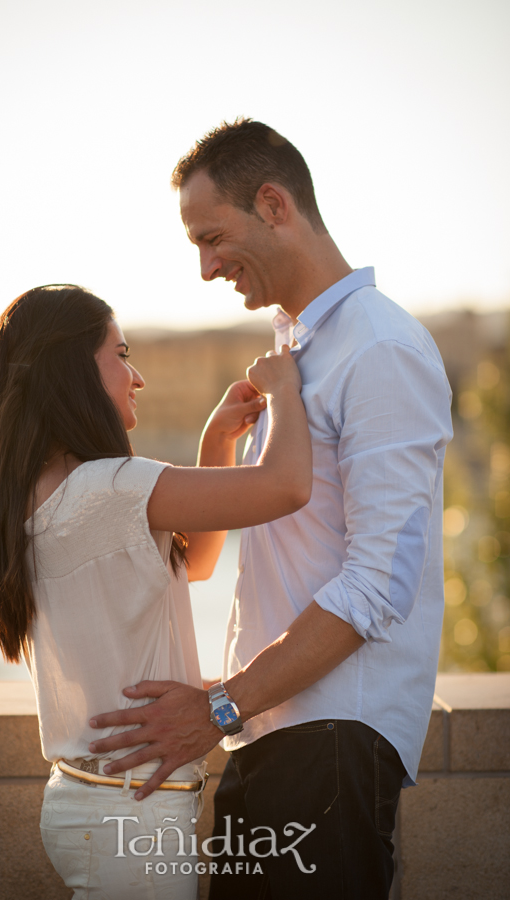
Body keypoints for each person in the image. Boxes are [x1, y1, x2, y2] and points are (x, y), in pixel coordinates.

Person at [88, 120, 454, 899]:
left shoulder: (379, 348)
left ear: (274, 204)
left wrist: (217, 706)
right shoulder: (296, 353)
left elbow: (378, 584)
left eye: (213, 237)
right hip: (273, 733)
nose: (205, 266)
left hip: (331, 739)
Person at [0, 283, 312, 900]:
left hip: (94, 802)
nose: (137, 376)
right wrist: (285, 389)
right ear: (72, 369)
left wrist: (215, 444)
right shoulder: (110, 488)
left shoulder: (37, 493)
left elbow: (192, 563)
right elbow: (286, 487)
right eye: (120, 354)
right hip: (129, 811)